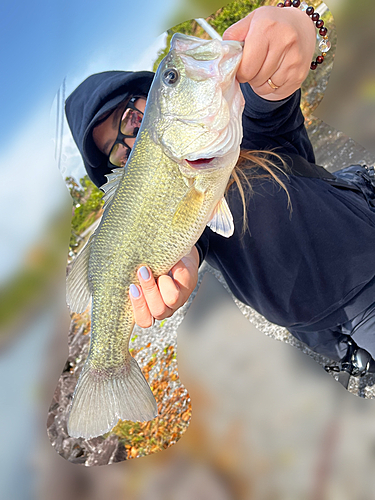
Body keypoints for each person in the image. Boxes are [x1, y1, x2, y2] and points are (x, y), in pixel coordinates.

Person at [65, 5, 375, 390]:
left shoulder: (246, 126)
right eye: (115, 150)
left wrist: (298, 27)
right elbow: (191, 244)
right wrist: (178, 273)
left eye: (130, 119)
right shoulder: (178, 210)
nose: (129, 141)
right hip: (313, 326)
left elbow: (272, 94)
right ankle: (107, 368)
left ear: (152, 105)